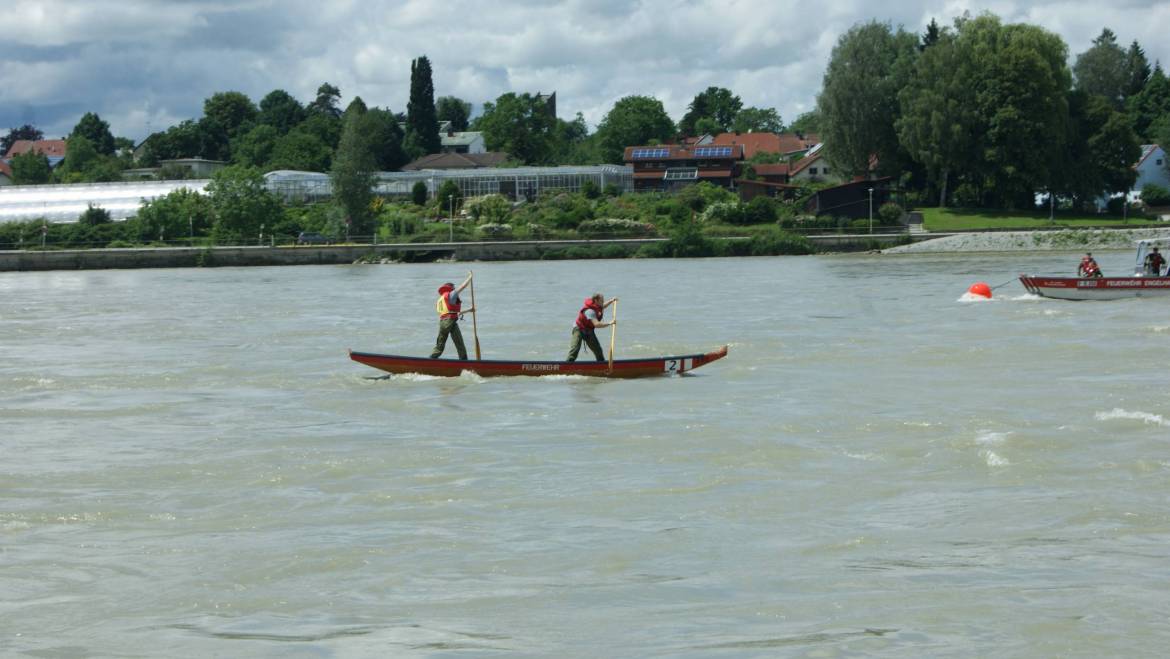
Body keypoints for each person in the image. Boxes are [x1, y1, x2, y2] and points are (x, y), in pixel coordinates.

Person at [430, 273, 474, 359]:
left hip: (443, 322)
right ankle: (464, 360)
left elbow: (452, 313)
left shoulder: (440, 300)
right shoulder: (451, 294)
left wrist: (470, 310)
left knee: (440, 345)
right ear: (451, 289)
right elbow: (463, 286)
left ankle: (432, 358)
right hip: (449, 321)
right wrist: (470, 277)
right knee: (459, 343)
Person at [566, 293, 617, 362]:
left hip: (589, 329)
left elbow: (603, 306)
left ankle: (601, 365)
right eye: (602, 301)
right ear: (596, 300)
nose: (603, 302)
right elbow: (597, 324)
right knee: (575, 348)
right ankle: (568, 364)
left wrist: (611, 301)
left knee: (598, 350)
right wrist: (609, 323)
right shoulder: (590, 311)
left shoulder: (598, 305)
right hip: (579, 328)